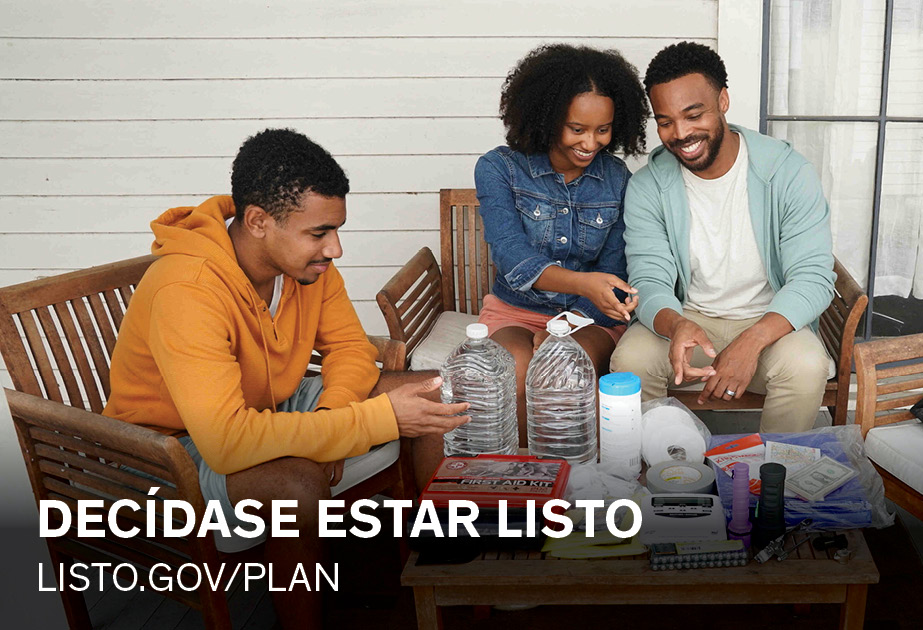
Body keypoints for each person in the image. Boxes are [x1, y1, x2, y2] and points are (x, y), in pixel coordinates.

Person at [102, 128, 467, 630]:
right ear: (258, 222)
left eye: (336, 230)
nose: (335, 248)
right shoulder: (187, 289)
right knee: (296, 485)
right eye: (319, 233)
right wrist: (371, 420)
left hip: (265, 405)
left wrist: (335, 419)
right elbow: (226, 442)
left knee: (435, 390)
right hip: (168, 450)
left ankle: (444, 576)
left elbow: (349, 348)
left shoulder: (306, 267)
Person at [611, 42, 837, 432]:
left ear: (723, 101)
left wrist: (753, 341)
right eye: (665, 122)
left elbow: (814, 278)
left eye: (693, 115)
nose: (681, 133)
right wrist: (676, 325)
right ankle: (657, 463)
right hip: (689, 318)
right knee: (631, 361)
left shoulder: (788, 173)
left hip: (769, 319)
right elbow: (648, 279)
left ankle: (777, 466)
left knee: (806, 365)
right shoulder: (649, 187)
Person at [474, 44, 648, 436]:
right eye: (577, 129)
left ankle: (572, 469)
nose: (591, 143)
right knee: (515, 370)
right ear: (547, 118)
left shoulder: (617, 179)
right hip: (515, 310)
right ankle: (525, 470)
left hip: (589, 316)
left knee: (563, 370)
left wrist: (568, 323)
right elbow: (511, 256)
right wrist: (582, 283)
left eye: (602, 130)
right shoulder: (499, 168)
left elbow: (615, 270)